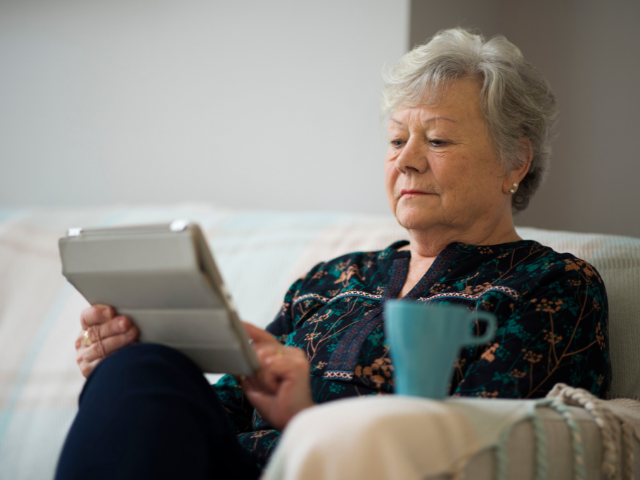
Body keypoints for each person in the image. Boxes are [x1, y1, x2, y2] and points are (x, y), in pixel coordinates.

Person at [56, 28, 610, 479]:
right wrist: (135, 374)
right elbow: (223, 408)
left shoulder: (553, 285)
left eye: (437, 140)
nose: (407, 162)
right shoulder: (334, 278)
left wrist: (306, 419)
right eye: (397, 141)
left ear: (515, 162)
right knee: (140, 367)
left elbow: (475, 448)